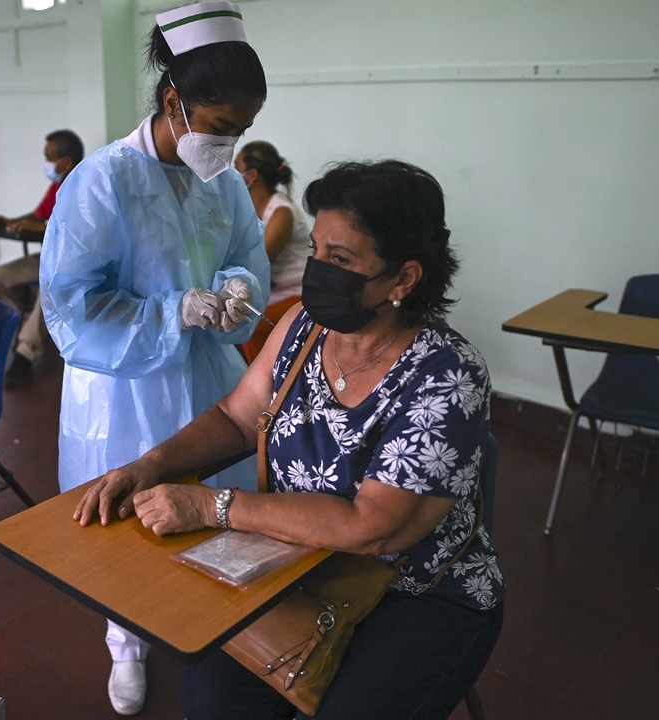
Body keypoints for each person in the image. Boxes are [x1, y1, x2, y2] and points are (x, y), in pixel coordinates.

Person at [75, 160, 505, 720]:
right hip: (297, 563)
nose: (317, 271)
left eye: (341, 259)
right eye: (318, 251)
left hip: (417, 589)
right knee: (211, 700)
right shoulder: (306, 327)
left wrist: (211, 505)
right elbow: (236, 418)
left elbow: (369, 527)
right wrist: (150, 465)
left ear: (404, 278)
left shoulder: (448, 376)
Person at [38, 2, 269, 714]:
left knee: (211, 507)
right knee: (129, 518)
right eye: (220, 126)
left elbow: (247, 257)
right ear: (174, 101)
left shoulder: (223, 182)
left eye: (242, 132)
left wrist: (235, 289)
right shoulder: (103, 180)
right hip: (122, 386)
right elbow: (71, 307)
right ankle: (125, 645)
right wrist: (173, 310)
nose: (228, 146)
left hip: (206, 377)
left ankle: (220, 632)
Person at [0, 129, 84, 386]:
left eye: (50, 157)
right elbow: (38, 217)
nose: (47, 164)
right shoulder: (56, 185)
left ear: (67, 161)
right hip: (49, 258)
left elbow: (79, 230)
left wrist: (40, 228)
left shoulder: (84, 183)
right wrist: (9, 222)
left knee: (48, 290)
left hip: (74, 264)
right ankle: (37, 315)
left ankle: (24, 355)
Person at [235, 141, 311, 362]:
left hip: (295, 294)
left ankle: (264, 388)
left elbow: (257, 263)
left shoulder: (281, 212)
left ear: (252, 175)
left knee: (250, 328)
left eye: (236, 166)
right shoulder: (248, 209)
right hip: (270, 294)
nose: (231, 172)